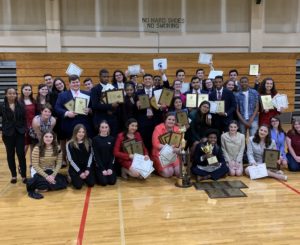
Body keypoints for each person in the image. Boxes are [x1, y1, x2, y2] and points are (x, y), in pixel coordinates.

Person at [26, 131, 68, 199]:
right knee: (44, 188)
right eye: (46, 136)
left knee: (62, 184)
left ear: (53, 138)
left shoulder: (58, 148)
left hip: (51, 170)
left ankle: (46, 184)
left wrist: (53, 175)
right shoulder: (37, 148)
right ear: (43, 138)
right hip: (38, 170)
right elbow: (35, 165)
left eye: (50, 137)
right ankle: (41, 185)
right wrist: (47, 177)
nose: (48, 138)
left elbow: (59, 163)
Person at [0, 88, 27, 184]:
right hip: (7, 134)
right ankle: (14, 175)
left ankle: (23, 175)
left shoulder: (21, 105)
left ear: (16, 94)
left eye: (14, 93)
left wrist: (24, 129)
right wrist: (2, 128)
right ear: (6, 95)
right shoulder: (2, 106)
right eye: (10, 93)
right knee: (10, 155)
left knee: (21, 154)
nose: (12, 95)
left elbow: (24, 119)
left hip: (20, 133)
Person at [55, 74, 93, 139]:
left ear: (80, 83)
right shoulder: (62, 95)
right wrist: (67, 113)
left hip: (85, 125)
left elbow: (93, 107)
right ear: (69, 84)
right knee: (71, 147)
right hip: (70, 126)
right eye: (73, 82)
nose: (75, 84)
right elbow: (57, 108)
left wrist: (89, 110)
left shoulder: (88, 94)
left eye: (77, 82)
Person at [91, 69, 120, 137]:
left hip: (112, 119)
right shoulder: (95, 89)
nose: (106, 78)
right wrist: (110, 106)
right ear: (100, 77)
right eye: (104, 77)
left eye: (107, 76)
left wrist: (113, 110)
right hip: (101, 118)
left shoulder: (113, 87)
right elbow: (95, 105)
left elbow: (117, 103)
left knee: (113, 139)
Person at [151, 113, 180, 177]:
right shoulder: (158, 128)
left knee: (178, 172)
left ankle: (171, 167)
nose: (171, 121)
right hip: (160, 153)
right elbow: (155, 144)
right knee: (168, 174)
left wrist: (178, 148)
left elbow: (179, 142)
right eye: (169, 119)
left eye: (173, 120)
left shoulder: (177, 129)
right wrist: (169, 147)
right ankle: (156, 168)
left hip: (173, 153)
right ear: (165, 120)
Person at [66, 124, 95, 189]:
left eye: (83, 132)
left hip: (86, 167)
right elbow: (70, 160)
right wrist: (80, 172)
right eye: (79, 132)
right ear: (75, 132)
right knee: (78, 186)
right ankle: (72, 176)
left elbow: (91, 156)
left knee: (91, 183)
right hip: (75, 168)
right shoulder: (69, 144)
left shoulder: (89, 141)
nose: (81, 134)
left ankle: (85, 177)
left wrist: (87, 169)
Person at [92, 121, 117, 186]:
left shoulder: (112, 139)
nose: (104, 129)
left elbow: (113, 155)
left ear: (108, 128)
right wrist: (102, 169)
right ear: (99, 128)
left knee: (112, 182)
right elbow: (96, 155)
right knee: (104, 183)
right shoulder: (95, 139)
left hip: (109, 165)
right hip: (100, 166)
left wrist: (110, 168)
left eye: (106, 127)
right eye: (102, 127)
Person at [19, 83, 37, 157]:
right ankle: (21, 164)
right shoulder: (19, 102)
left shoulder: (33, 100)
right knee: (25, 145)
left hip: (33, 126)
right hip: (24, 126)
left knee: (33, 145)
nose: (27, 91)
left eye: (29, 90)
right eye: (26, 89)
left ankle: (33, 165)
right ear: (22, 90)